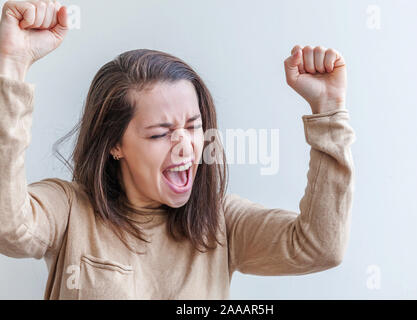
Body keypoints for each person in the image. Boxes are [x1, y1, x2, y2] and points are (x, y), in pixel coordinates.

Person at [0, 0, 356, 299]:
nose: (185, 145)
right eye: (160, 134)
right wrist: (13, 66)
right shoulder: (68, 209)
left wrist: (328, 110)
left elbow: (319, 247)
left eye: (193, 126)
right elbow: (9, 228)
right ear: (114, 144)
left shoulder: (222, 221)